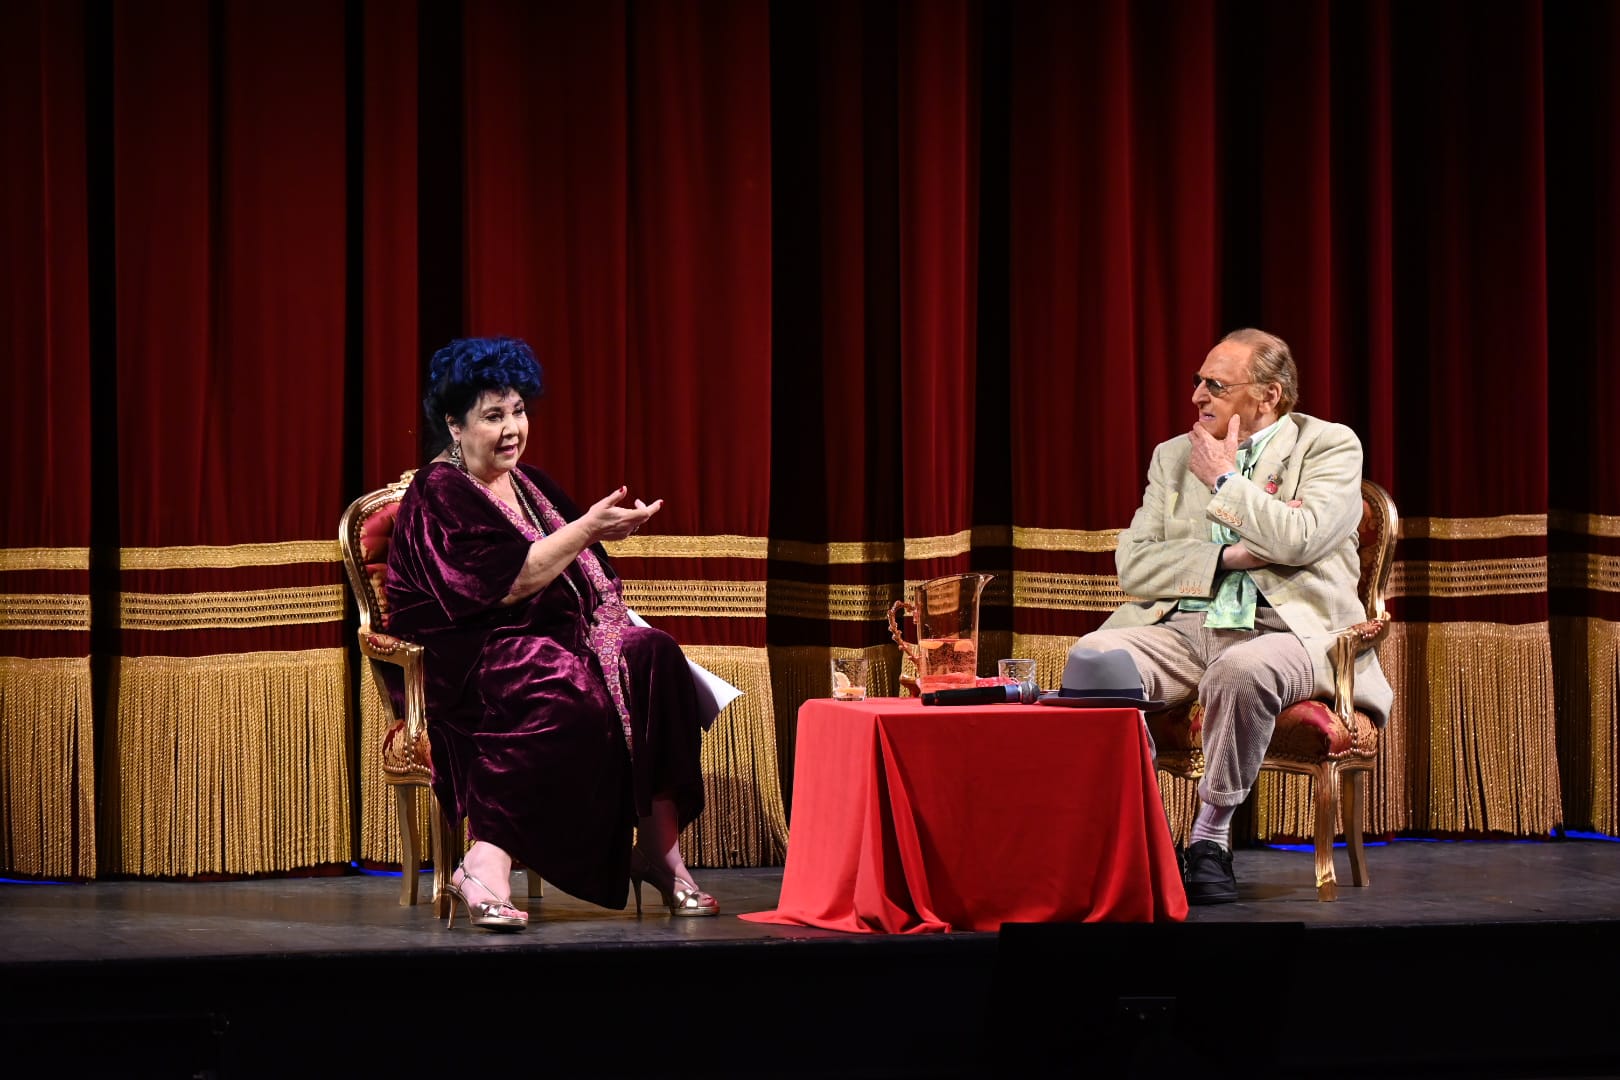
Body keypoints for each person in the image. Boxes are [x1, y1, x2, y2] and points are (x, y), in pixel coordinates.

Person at [385, 336, 718, 930]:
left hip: (554, 639)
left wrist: (600, 533)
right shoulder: (438, 493)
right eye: (493, 416)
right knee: (558, 684)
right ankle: (484, 863)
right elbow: (505, 584)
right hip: (470, 658)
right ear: (454, 425)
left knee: (655, 657)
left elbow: (577, 571)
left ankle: (658, 851)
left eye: (518, 411)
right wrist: (588, 528)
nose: (512, 429)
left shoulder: (529, 483)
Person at [1070, 327, 1392, 905]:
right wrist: (1229, 556)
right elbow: (1134, 566)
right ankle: (1145, 833)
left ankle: (1209, 839)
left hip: (1290, 630)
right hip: (1186, 626)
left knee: (1240, 671)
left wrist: (1224, 481)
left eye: (1215, 385)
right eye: (1198, 381)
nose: (1197, 395)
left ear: (1268, 395)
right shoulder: (1173, 456)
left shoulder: (1328, 445)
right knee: (1093, 658)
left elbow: (1300, 538)